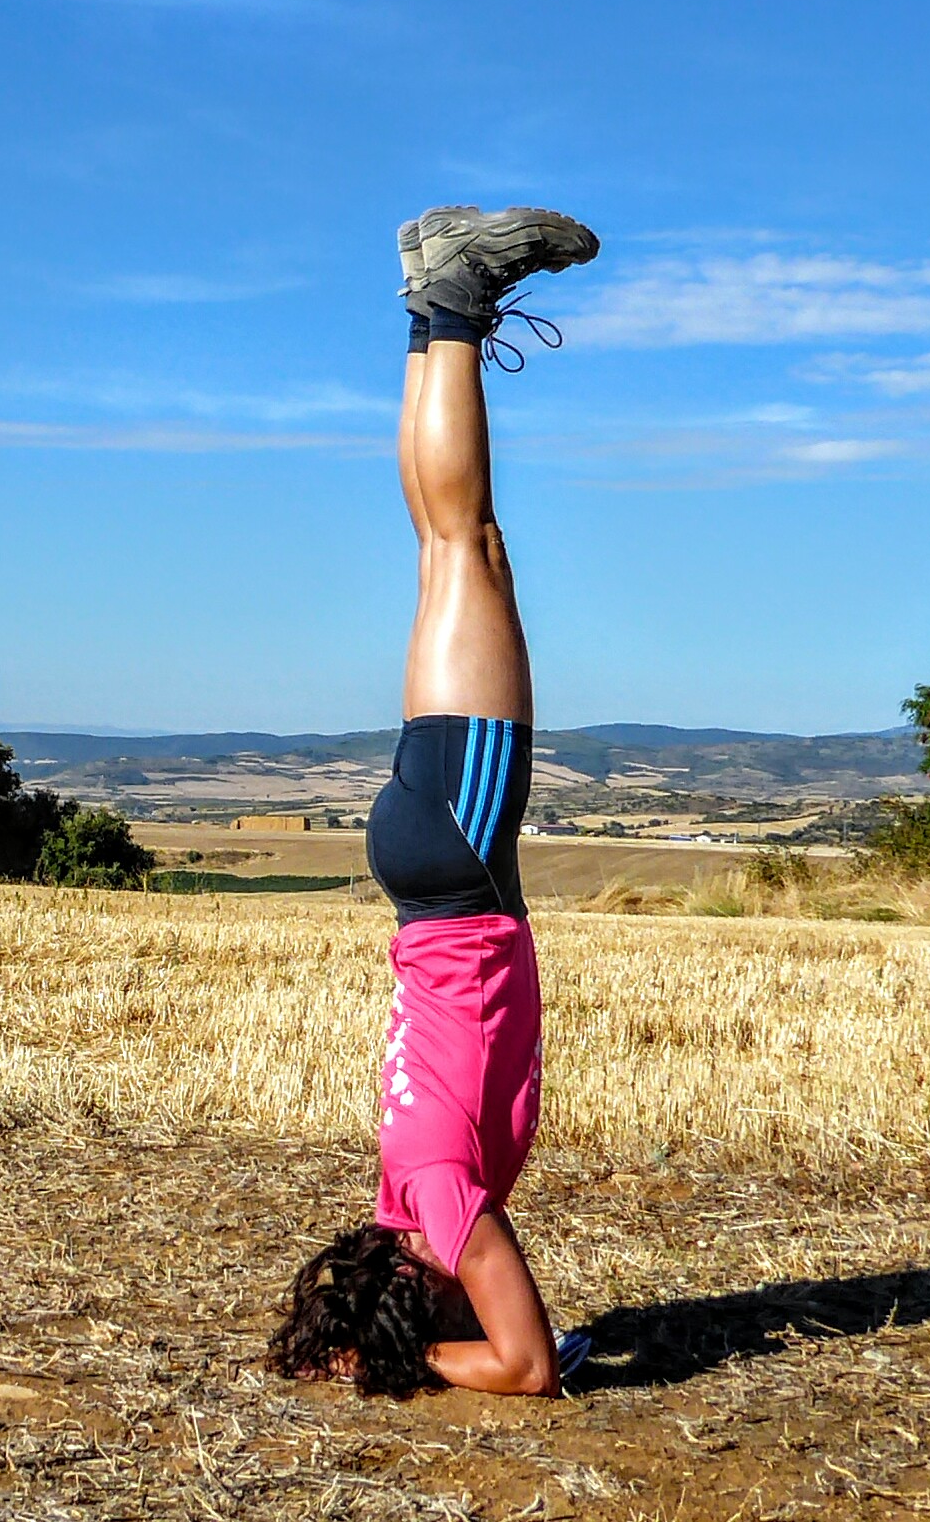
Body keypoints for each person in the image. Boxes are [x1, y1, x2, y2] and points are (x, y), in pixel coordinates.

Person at [267, 206, 599, 1398]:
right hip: (424, 867)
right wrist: (366, 1341)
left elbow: (525, 1366)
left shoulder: (445, 1209)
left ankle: (455, 303)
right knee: (443, 552)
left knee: (469, 546)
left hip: (456, 850)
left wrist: (403, 1362)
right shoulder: (400, 1191)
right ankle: (430, 311)